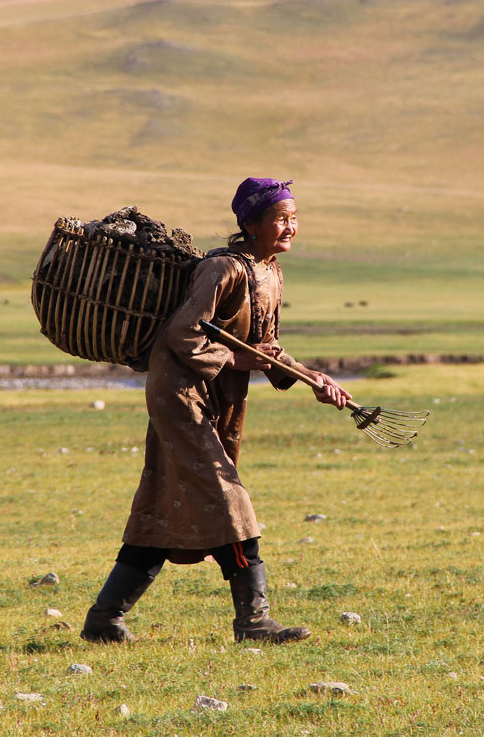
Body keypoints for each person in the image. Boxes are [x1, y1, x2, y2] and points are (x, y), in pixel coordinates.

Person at [81, 177, 350, 644]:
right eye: (279, 219)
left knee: (162, 503)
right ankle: (254, 621)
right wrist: (233, 358)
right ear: (249, 224)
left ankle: (104, 619)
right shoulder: (222, 269)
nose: (290, 226)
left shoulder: (271, 273)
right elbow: (182, 334)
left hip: (218, 396)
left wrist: (313, 380)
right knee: (228, 496)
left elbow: (266, 348)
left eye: (294, 217)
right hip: (180, 393)